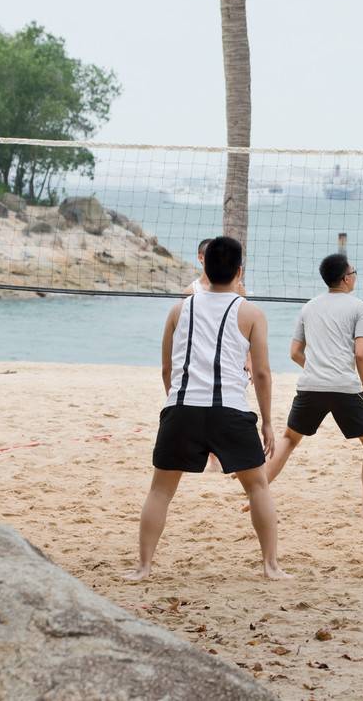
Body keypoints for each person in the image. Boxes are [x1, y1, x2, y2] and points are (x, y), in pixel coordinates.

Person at [126, 236, 287, 580]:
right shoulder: (250, 312)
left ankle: (143, 567)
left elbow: (167, 369)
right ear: (239, 271)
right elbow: (260, 372)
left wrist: (175, 403)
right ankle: (271, 567)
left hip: (182, 407)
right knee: (257, 486)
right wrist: (268, 422)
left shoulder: (179, 308)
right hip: (229, 410)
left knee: (160, 490)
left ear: (204, 266)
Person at [264, 253, 363, 516]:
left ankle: (256, 494)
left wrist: (317, 369)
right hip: (345, 386)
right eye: (354, 272)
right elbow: (361, 354)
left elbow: (295, 352)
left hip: (311, 385)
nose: (355, 276)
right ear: (345, 278)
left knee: (290, 439)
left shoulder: (309, 306)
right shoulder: (359, 307)